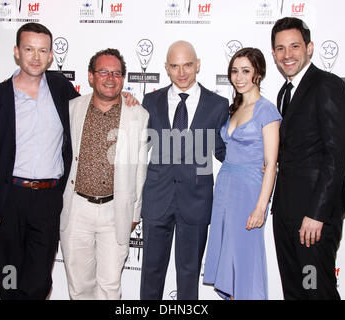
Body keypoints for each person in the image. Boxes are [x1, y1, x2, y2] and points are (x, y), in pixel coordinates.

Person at [0, 22, 80, 299]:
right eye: (29, 49)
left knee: (38, 282)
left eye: (42, 50)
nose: (35, 56)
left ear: (51, 55)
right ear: (17, 52)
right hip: (8, 200)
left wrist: (122, 99)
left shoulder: (60, 88)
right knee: (10, 278)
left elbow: (92, 111)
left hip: (47, 200)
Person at [140, 40, 229, 300]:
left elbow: (222, 151)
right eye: (175, 66)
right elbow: (137, 146)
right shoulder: (150, 100)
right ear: (166, 68)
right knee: (151, 272)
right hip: (157, 200)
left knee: (189, 275)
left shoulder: (217, 105)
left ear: (198, 65)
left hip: (197, 202)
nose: (182, 72)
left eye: (188, 65)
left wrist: (260, 160)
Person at [270, 17, 345, 299]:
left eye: (294, 46)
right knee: (295, 292)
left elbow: (335, 155)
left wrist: (316, 214)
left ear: (310, 48)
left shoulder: (327, 86)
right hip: (286, 215)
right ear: (274, 54)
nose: (287, 54)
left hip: (313, 220)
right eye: (280, 48)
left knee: (315, 291)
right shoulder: (284, 92)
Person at [60, 48, 149, 300]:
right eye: (103, 72)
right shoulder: (71, 109)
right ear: (90, 76)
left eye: (117, 73)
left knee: (110, 288)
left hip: (116, 210)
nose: (110, 78)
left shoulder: (138, 115)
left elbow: (140, 169)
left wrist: (134, 212)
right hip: (76, 207)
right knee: (79, 287)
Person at [203, 47, 281, 300]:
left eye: (246, 71)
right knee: (229, 259)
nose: (239, 77)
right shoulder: (233, 108)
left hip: (249, 192)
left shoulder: (266, 110)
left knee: (245, 259)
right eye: (235, 71)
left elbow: (271, 164)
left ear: (258, 73)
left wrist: (261, 206)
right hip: (225, 188)